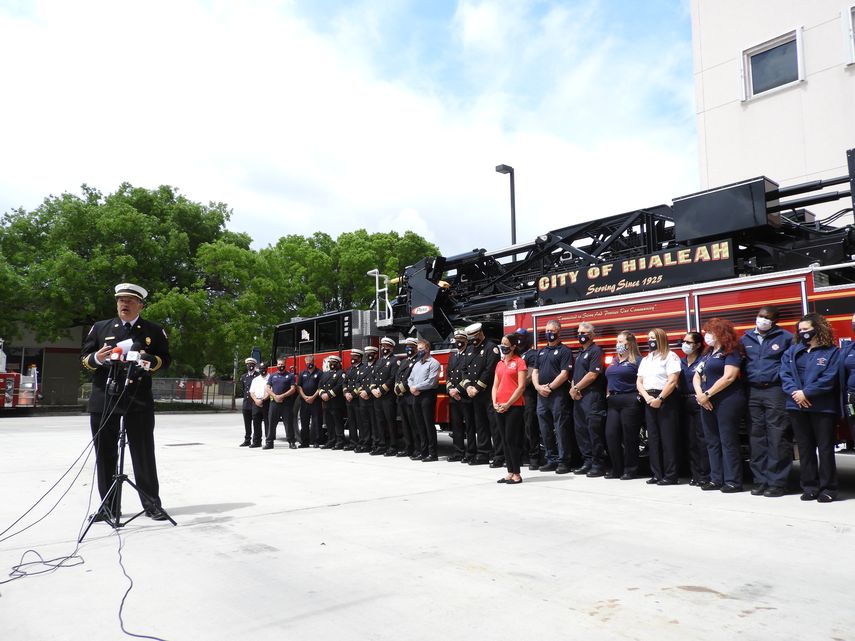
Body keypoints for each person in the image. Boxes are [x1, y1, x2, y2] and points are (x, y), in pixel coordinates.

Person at [81, 282, 171, 521]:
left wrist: (148, 359)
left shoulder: (152, 330)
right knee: (105, 454)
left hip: (138, 399)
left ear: (140, 305)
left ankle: (151, 504)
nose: (124, 304)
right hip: (105, 398)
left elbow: (165, 359)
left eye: (130, 301)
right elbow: (85, 358)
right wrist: (97, 358)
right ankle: (109, 507)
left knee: (143, 453)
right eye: (121, 300)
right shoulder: (101, 328)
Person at [780, 313, 841, 502]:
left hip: (822, 408)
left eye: (806, 329)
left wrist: (807, 393)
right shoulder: (792, 352)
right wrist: (796, 394)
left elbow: (829, 378)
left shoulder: (832, 352)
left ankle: (828, 488)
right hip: (797, 407)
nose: (803, 332)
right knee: (805, 449)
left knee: (825, 449)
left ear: (818, 328)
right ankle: (810, 486)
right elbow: (785, 375)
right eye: (800, 330)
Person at [740, 306, 794, 497]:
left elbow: (790, 365)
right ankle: (760, 480)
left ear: (775, 321)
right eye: (760, 316)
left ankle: (778, 482)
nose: (762, 320)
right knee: (757, 436)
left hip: (775, 391)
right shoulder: (745, 338)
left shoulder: (786, 337)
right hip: (753, 391)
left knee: (778, 436)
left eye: (767, 317)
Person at [693, 318, 746, 493]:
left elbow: (729, 377)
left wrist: (707, 394)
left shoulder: (731, 351)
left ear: (720, 333)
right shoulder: (708, 354)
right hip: (707, 401)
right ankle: (716, 478)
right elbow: (697, 375)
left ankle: (732, 481)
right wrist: (701, 395)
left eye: (710, 331)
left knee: (727, 440)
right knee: (712, 441)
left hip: (727, 401)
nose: (706, 335)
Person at [637, 327, 681, 485]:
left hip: (666, 399)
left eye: (653, 338)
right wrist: (647, 397)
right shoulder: (646, 359)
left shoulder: (670, 356)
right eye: (649, 338)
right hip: (649, 398)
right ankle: (657, 473)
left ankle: (670, 475)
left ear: (661, 339)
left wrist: (660, 398)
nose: (650, 341)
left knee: (667, 439)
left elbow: (673, 380)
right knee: (653, 439)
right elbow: (639, 381)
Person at [532, 319, 574, 474]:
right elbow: (535, 372)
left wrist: (549, 387)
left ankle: (564, 461)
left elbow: (564, 374)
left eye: (552, 330)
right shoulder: (541, 352)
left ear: (558, 331)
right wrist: (537, 387)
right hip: (541, 395)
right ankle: (551, 459)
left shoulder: (565, 351)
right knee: (545, 428)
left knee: (560, 427)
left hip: (558, 395)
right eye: (547, 330)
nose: (549, 333)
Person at [570, 322, 608, 476]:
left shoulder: (596, 351)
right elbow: (575, 375)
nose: (581, 335)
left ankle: (598, 465)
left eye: (584, 333)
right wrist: (573, 388)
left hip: (592, 397)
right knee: (581, 431)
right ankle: (587, 462)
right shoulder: (580, 353)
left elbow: (593, 374)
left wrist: (576, 388)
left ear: (592, 335)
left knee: (594, 431)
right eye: (579, 332)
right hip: (578, 398)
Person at [604, 331, 643, 480]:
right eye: (617, 342)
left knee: (629, 436)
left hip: (630, 400)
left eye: (621, 342)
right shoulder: (613, 361)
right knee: (611, 434)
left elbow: (643, 380)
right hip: (614, 400)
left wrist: (638, 397)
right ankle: (616, 468)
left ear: (630, 343)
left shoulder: (638, 361)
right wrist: (608, 393)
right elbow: (609, 378)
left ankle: (630, 469)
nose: (618, 345)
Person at [462, 323, 500, 466]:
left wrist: (477, 388)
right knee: (480, 424)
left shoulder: (491, 348)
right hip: (474, 393)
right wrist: (467, 387)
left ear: (480, 333)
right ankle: (483, 453)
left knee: (494, 424)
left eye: (474, 337)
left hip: (488, 392)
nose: (472, 340)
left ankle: (499, 454)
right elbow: (464, 369)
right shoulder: (470, 349)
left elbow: (489, 371)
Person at [492, 333, 527, 484]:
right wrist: (495, 402)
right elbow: (495, 385)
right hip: (499, 406)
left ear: (513, 346)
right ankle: (509, 471)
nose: (503, 347)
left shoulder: (519, 362)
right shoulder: (500, 363)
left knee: (511, 439)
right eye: (502, 344)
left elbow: (521, 387)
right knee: (503, 440)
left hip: (514, 406)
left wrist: (508, 403)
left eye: (506, 345)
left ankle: (517, 474)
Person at [679, 332, 710, 487]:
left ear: (697, 345)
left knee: (702, 439)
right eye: (683, 341)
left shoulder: (703, 360)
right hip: (684, 402)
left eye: (688, 342)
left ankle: (705, 474)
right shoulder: (680, 362)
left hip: (698, 400)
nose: (684, 344)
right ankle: (695, 474)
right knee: (690, 440)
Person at [408, 338, 441, 461]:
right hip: (416, 395)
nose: (419, 351)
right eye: (418, 349)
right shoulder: (417, 364)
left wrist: (417, 387)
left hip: (428, 395)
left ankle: (433, 454)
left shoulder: (434, 363)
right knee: (419, 425)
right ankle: (423, 452)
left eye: (421, 349)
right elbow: (410, 378)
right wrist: (412, 387)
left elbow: (431, 381)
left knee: (428, 425)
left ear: (427, 349)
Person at [515, 328, 542, 470]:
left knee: (530, 426)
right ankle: (519, 456)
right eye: (517, 337)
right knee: (517, 428)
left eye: (521, 337)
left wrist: (515, 386)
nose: (519, 340)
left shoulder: (532, 354)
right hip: (515, 398)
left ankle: (534, 457)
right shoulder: (514, 356)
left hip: (528, 397)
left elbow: (530, 377)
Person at [371, 336, 399, 456]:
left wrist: (381, 390)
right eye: (383, 346)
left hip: (387, 396)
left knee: (390, 422)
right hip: (377, 396)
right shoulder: (379, 361)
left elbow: (392, 378)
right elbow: (373, 376)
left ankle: (393, 446)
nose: (384, 348)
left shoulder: (395, 361)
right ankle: (382, 445)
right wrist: (373, 389)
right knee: (380, 421)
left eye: (387, 346)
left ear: (392, 348)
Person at [445, 329, 469, 462]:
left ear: (466, 340)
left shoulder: (469, 354)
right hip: (453, 396)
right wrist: (451, 390)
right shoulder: (453, 356)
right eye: (457, 339)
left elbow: (469, 374)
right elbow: (448, 374)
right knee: (456, 425)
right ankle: (458, 452)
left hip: (464, 395)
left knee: (470, 426)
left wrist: (458, 390)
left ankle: (471, 452)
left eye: (461, 339)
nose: (458, 342)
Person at [394, 338, 419, 458]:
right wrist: (396, 387)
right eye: (407, 346)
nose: (408, 348)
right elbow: (397, 376)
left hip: (410, 396)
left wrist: (401, 388)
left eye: (411, 346)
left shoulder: (417, 361)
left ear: (415, 348)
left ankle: (417, 448)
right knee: (405, 424)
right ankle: (408, 447)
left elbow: (411, 377)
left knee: (413, 424)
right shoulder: (403, 361)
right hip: (401, 397)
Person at [266, 357, 297, 449]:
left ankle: (291, 442)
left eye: (282, 364)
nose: (280, 366)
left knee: (288, 423)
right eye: (279, 364)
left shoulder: (290, 376)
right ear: (277, 365)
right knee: (271, 423)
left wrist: (282, 396)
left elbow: (293, 389)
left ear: (285, 364)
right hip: (274, 403)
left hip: (286, 403)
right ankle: (269, 442)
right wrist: (275, 396)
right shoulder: (272, 376)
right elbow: (267, 388)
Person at [319, 355, 346, 449]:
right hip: (326, 403)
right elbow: (320, 386)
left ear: (338, 363)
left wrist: (328, 395)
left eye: (334, 362)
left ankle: (340, 441)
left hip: (336, 403)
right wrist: (322, 394)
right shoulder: (325, 374)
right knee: (329, 423)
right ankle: (330, 440)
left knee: (337, 423)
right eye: (331, 362)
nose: (332, 364)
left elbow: (339, 386)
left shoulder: (341, 373)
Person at [360, 346, 383, 454]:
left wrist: (368, 392)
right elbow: (358, 381)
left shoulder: (377, 365)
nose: (368, 355)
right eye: (367, 353)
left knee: (374, 423)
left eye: (371, 353)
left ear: (375, 355)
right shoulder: (363, 367)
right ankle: (366, 443)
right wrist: (361, 392)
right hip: (362, 398)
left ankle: (375, 443)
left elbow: (376, 381)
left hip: (372, 397)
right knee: (364, 423)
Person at [298, 355, 323, 447]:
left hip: (315, 401)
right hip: (304, 401)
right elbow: (299, 386)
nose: (309, 364)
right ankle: (304, 442)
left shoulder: (319, 373)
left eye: (311, 362)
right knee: (304, 421)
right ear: (305, 362)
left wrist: (313, 397)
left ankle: (316, 441)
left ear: (314, 362)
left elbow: (320, 387)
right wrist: (304, 397)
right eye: (307, 362)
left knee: (316, 421)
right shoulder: (302, 373)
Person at [342, 349, 364, 451]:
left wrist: (352, 394)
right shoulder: (349, 369)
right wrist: (346, 393)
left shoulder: (363, 368)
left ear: (360, 357)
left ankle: (361, 442)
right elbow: (344, 383)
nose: (353, 359)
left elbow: (361, 384)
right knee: (351, 422)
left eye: (355, 357)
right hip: (349, 399)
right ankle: (352, 442)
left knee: (360, 422)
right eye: (352, 357)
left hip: (357, 399)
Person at [239, 357, 259, 447]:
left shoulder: (258, 376)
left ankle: (256, 440)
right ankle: (247, 440)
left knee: (255, 423)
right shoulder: (243, 377)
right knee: (247, 423)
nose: (250, 366)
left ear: (254, 365)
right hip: (246, 403)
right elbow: (244, 389)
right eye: (248, 364)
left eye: (252, 364)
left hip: (254, 402)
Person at [248, 363, 269, 448]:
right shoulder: (255, 380)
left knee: (268, 423)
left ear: (267, 368)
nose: (262, 370)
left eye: (264, 368)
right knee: (256, 423)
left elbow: (270, 391)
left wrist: (263, 400)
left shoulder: (270, 378)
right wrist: (256, 400)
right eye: (260, 368)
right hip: (256, 402)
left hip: (266, 402)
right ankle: (256, 442)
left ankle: (269, 441)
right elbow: (252, 392)